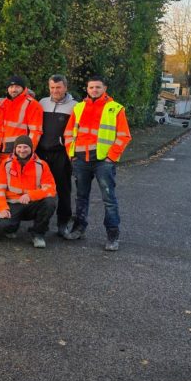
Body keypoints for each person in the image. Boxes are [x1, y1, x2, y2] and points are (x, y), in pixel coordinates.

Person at [65, 75, 132, 251]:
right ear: (87, 89)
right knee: (81, 197)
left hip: (103, 161)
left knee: (109, 199)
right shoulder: (78, 108)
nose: (94, 90)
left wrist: (111, 157)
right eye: (91, 87)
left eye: (98, 87)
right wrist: (71, 154)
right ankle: (79, 228)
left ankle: (112, 235)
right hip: (81, 160)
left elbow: (124, 135)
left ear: (105, 88)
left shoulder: (115, 109)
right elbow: (68, 133)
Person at [0, 135, 58, 248]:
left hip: (32, 204)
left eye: (25, 147)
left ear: (31, 149)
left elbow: (50, 188)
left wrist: (31, 195)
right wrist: (2, 207)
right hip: (13, 203)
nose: (22, 150)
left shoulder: (41, 165)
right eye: (19, 147)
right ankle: (13, 226)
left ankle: (38, 234)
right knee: (3, 226)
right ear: (15, 149)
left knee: (50, 202)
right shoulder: (6, 164)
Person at [37, 74, 77, 237]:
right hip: (41, 152)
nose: (55, 91)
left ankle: (63, 223)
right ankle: (40, 223)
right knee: (39, 189)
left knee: (63, 189)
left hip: (61, 154)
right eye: (52, 88)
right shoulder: (42, 102)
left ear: (65, 87)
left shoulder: (75, 106)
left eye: (59, 87)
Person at [0, 75, 43, 171]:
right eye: (11, 87)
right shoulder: (1, 104)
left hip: (19, 153)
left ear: (23, 88)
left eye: (17, 87)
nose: (13, 90)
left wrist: (28, 152)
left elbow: (36, 131)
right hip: (0, 152)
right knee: (1, 182)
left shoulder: (32, 104)